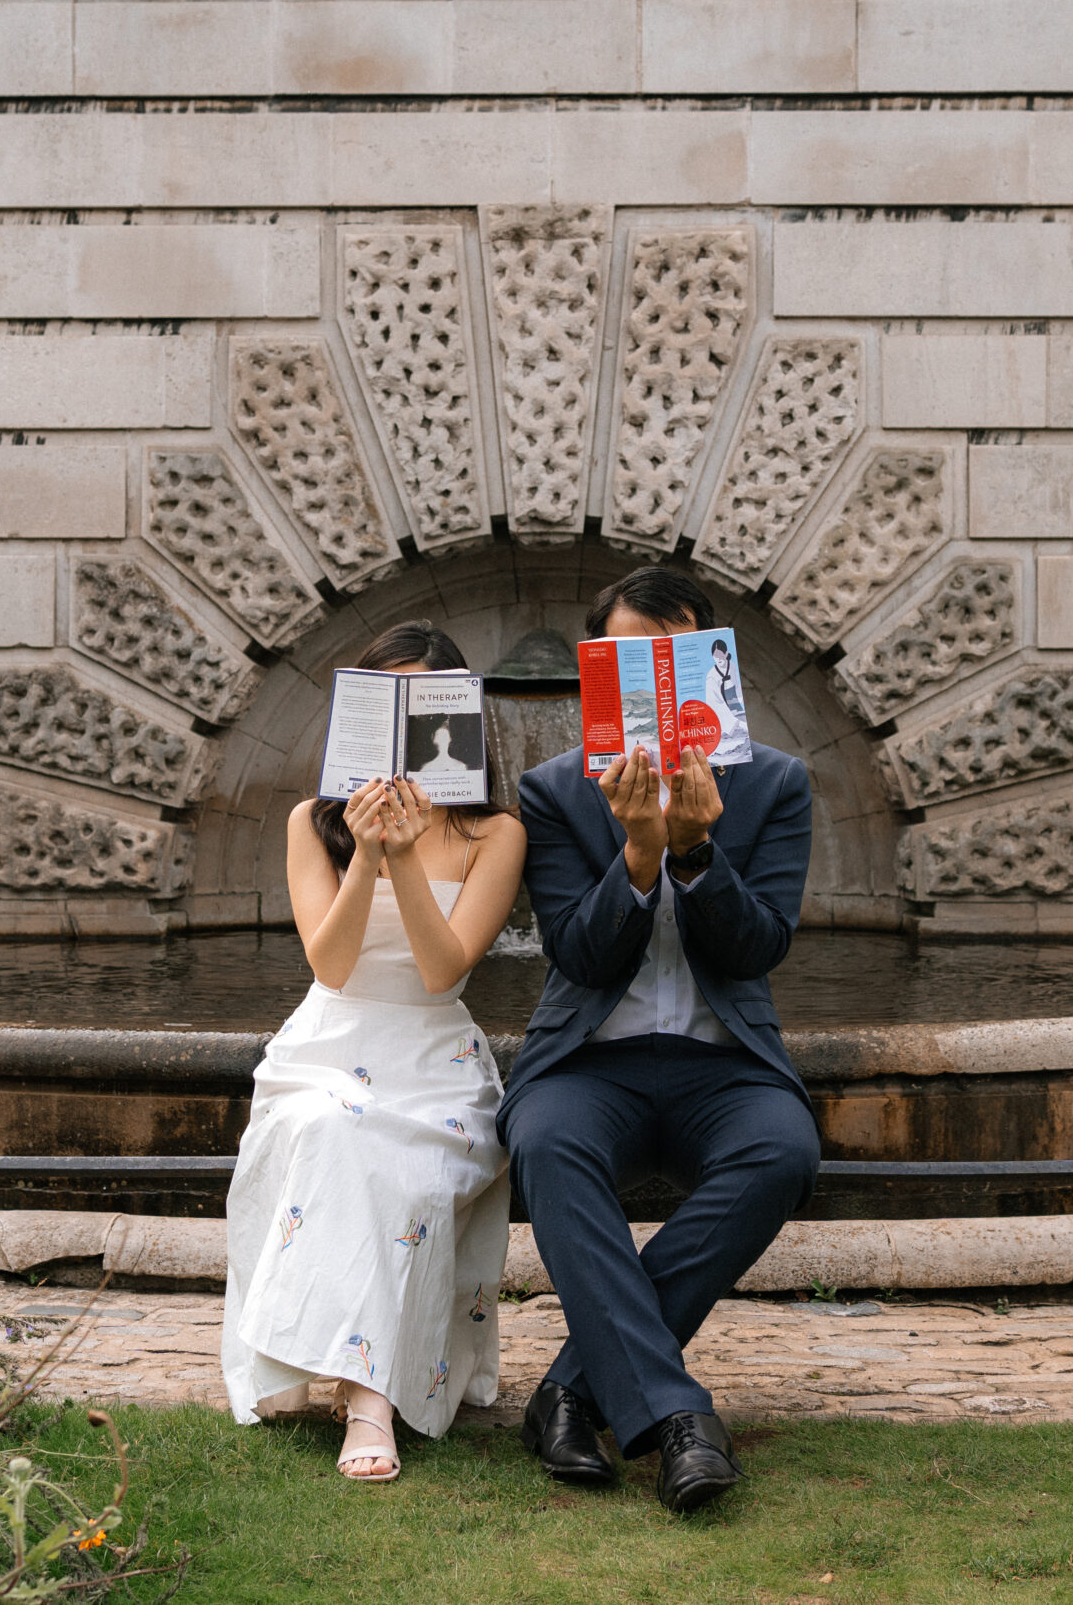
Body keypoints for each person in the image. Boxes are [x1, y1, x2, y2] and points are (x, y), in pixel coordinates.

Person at [501, 566, 818, 1514]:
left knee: (784, 1148)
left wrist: (695, 853)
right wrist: (640, 855)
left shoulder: (776, 784)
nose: (650, 671)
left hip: (725, 1064)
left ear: (708, 661)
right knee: (547, 1141)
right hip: (590, 1065)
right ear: (602, 669)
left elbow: (762, 946)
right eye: (628, 653)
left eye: (670, 651)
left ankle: (572, 1390)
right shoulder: (554, 791)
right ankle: (678, 1420)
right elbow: (579, 955)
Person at [220, 623, 528, 1483]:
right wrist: (368, 855)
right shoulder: (309, 822)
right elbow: (331, 962)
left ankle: (370, 1396)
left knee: (390, 1159)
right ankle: (352, 1387)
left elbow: (441, 971)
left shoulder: (493, 832)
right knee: (332, 1125)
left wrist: (409, 860)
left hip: (431, 1056)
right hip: (330, 1043)